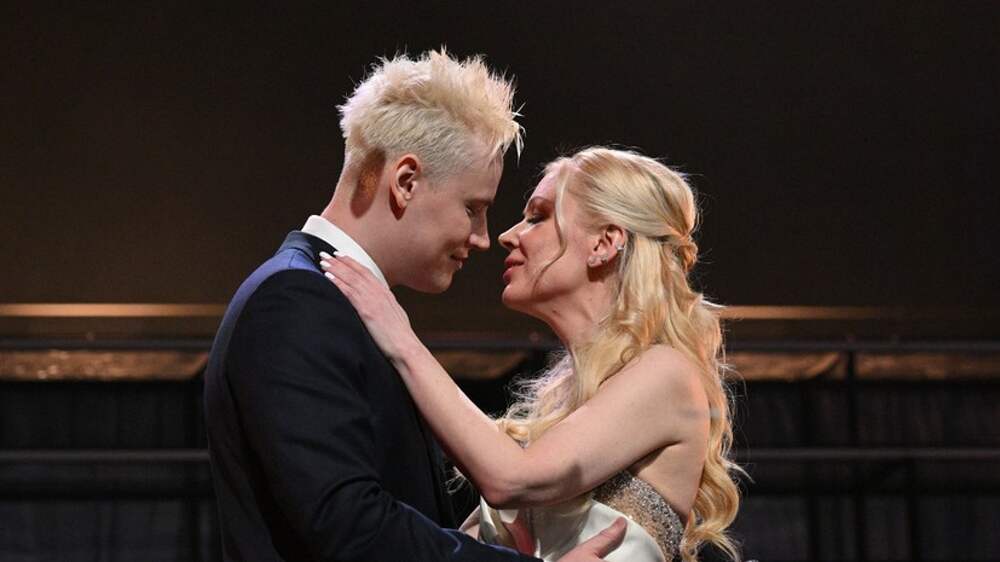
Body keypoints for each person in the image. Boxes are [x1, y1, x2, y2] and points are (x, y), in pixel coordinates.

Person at [203, 51, 626, 562]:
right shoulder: (294, 302)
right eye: (473, 208)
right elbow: (348, 526)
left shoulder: (332, 303)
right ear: (406, 182)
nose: (483, 238)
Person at [321, 146, 744, 562]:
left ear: (604, 243)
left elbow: (510, 479)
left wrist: (400, 339)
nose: (507, 235)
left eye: (538, 217)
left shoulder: (666, 374)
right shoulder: (561, 401)